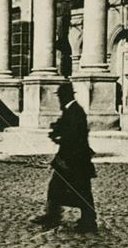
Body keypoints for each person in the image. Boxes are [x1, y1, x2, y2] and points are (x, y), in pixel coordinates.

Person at [31, 82, 98, 233]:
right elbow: (64, 125)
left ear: (65, 96)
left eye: (60, 97)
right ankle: (55, 214)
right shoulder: (71, 110)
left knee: (80, 189)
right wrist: (56, 129)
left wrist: (59, 138)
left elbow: (73, 135)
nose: (59, 100)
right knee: (61, 187)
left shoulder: (75, 111)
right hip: (72, 158)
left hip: (75, 159)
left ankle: (86, 220)